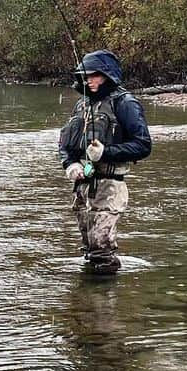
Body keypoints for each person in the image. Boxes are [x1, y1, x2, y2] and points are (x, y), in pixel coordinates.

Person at [57, 50, 152, 274]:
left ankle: (103, 301)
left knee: (101, 249)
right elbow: (65, 144)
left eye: (94, 75)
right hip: (83, 186)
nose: (88, 80)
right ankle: (89, 303)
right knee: (89, 248)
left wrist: (106, 152)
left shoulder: (126, 103)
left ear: (108, 76)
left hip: (110, 186)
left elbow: (143, 145)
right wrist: (70, 164)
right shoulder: (81, 105)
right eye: (85, 76)